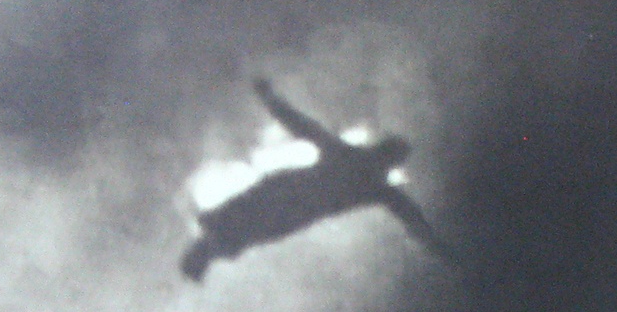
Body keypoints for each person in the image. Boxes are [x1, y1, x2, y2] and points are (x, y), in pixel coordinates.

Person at [182, 78, 455, 281]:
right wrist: (270, 99)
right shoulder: (375, 185)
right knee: (241, 226)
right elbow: (300, 124)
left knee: (241, 226)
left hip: (286, 202)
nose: (381, 160)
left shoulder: (372, 183)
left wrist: (437, 247)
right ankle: (203, 254)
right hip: (288, 202)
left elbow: (300, 125)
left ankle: (203, 254)